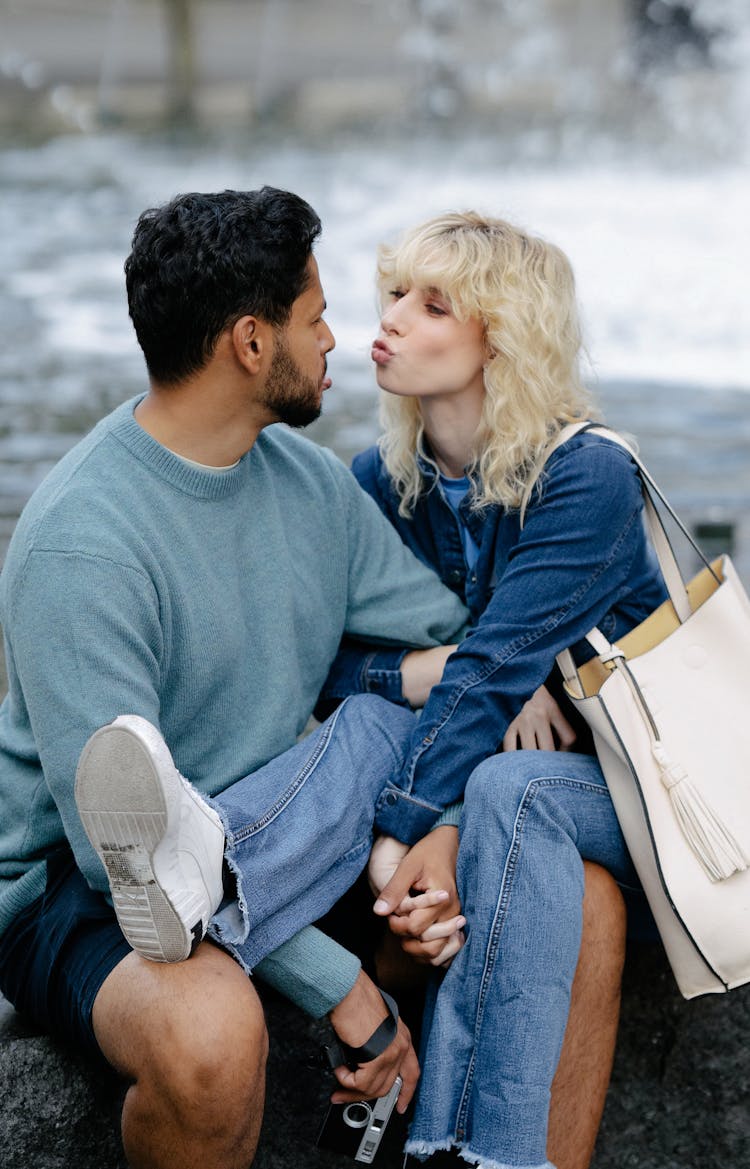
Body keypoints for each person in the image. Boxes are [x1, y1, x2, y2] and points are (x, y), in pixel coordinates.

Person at [0, 187, 473, 1169]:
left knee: (406, 750)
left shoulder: (308, 489)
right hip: (77, 886)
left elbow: (452, 649)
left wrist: (440, 826)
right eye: (317, 316)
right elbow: (104, 854)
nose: (340, 338)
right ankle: (215, 875)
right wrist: (340, 983)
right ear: (252, 344)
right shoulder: (85, 541)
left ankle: (219, 869)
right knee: (212, 1036)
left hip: (274, 831)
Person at [317, 211, 668, 1169]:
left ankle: (475, 1157)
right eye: (394, 292)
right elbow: (331, 668)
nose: (392, 319)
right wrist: (419, 672)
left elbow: (492, 668)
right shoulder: (383, 486)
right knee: (506, 812)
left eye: (435, 306)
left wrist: (406, 835)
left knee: (512, 796)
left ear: (499, 341)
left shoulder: (586, 476)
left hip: (637, 792)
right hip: (500, 807)